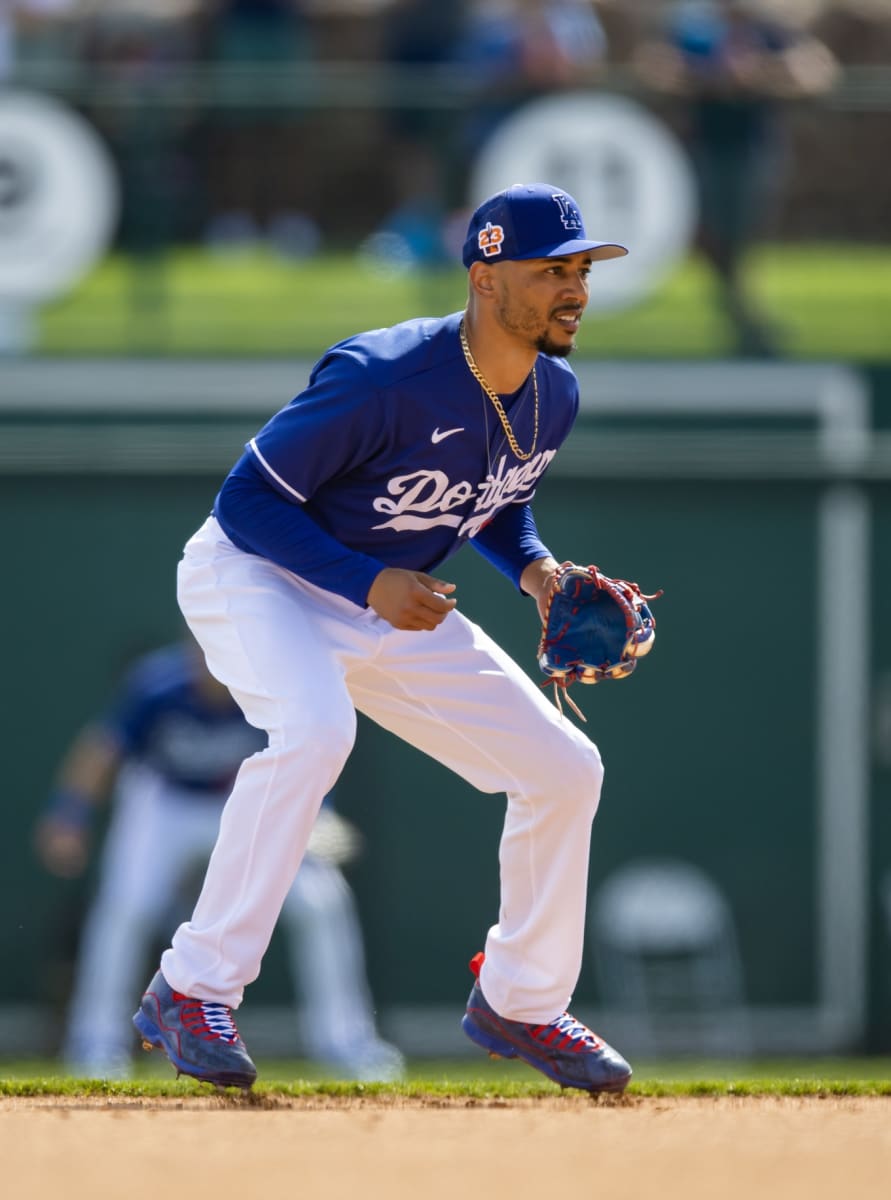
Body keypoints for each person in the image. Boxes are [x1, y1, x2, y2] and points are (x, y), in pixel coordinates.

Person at [132, 182, 635, 1094]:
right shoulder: (383, 375)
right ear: (485, 278)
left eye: (579, 270)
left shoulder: (550, 392)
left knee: (563, 769)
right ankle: (190, 987)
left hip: (392, 607)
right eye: (549, 271)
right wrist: (368, 581)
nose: (573, 289)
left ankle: (520, 1002)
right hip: (257, 577)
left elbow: (495, 502)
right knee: (316, 730)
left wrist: (537, 572)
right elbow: (243, 503)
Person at [35, 638, 404, 1081]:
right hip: (165, 804)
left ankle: (349, 1046)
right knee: (127, 906)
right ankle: (94, 1046)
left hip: (243, 803)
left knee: (320, 903)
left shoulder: (269, 687)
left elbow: (310, 760)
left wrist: (317, 819)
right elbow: (102, 749)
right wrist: (68, 813)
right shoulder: (159, 684)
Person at [632, 0, 838, 357]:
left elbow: (818, 73)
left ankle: (741, 310)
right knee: (714, 231)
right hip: (702, 144)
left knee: (742, 229)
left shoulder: (770, 31)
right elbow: (653, 67)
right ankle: (743, 313)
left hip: (752, 147)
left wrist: (761, 74)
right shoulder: (694, 29)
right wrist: (706, 78)